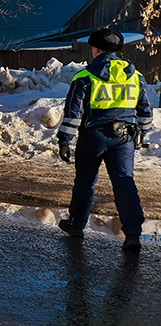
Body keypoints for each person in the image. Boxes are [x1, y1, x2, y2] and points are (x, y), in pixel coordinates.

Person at [57, 27, 154, 251]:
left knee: (85, 181)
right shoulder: (135, 75)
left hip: (94, 136)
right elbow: (145, 112)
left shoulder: (85, 76)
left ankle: (76, 225)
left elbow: (73, 113)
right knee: (124, 182)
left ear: (96, 49)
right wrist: (141, 134)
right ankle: (133, 235)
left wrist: (64, 140)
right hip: (125, 137)